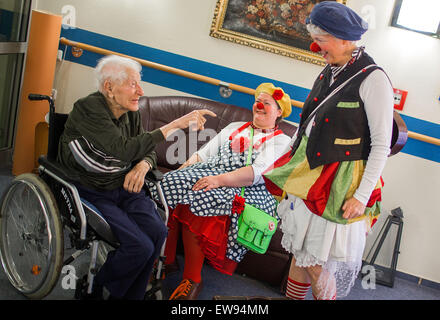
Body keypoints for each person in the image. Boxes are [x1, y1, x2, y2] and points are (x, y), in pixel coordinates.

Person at [263, 1, 394, 300]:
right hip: (309, 172)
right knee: (300, 252)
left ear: (346, 39)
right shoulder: (329, 70)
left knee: (316, 264)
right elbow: (310, 120)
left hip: (339, 181)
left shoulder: (374, 79)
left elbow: (381, 145)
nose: (316, 48)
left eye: (322, 41)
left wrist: (361, 197)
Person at [57, 54, 216, 300]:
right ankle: (95, 284)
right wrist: (176, 123)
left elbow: (145, 149)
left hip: (125, 186)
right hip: (93, 189)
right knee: (139, 247)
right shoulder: (88, 108)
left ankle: (128, 296)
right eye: (133, 84)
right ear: (109, 88)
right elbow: (122, 149)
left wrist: (143, 164)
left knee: (158, 232)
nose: (140, 91)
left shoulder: (130, 111)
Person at [154, 83, 292, 300]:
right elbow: (203, 155)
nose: (260, 106)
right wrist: (178, 174)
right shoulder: (235, 127)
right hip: (212, 173)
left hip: (249, 189)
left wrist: (217, 180)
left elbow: (257, 173)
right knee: (169, 185)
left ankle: (192, 280)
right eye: (259, 101)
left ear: (279, 112)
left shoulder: (282, 140)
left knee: (201, 198)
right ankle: (164, 261)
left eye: (267, 103)